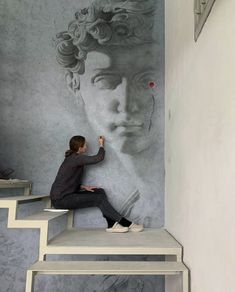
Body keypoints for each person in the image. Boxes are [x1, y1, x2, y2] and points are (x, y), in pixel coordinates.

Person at [50, 135, 143, 233]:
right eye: (85, 145)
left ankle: (111, 224)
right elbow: (98, 158)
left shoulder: (73, 158)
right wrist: (101, 144)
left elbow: (67, 179)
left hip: (66, 195)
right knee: (98, 199)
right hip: (61, 200)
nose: (87, 147)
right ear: (79, 148)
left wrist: (83, 187)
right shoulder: (76, 158)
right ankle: (127, 223)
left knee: (99, 192)